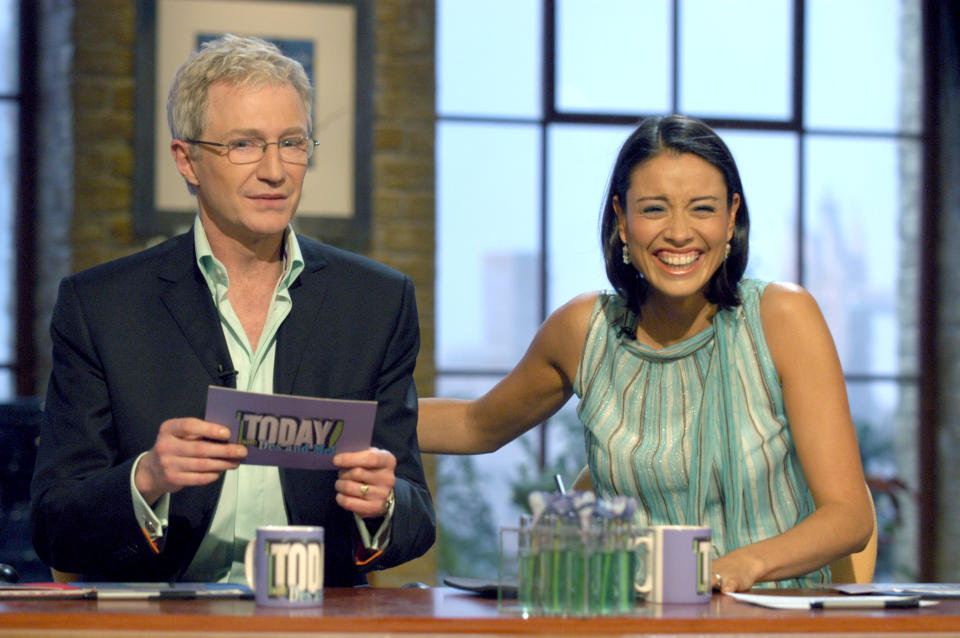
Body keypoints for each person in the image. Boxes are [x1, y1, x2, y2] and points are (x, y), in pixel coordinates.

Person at [30, 34, 435, 586]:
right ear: (187, 159)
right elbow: (55, 525)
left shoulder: (376, 301)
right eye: (244, 145)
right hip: (161, 616)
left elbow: (416, 520)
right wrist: (146, 478)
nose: (275, 170)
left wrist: (383, 504)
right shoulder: (102, 307)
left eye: (292, 143)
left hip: (315, 617)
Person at [418, 114, 873, 591]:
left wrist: (738, 567)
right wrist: (351, 419)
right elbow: (475, 425)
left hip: (772, 618)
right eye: (655, 209)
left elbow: (849, 516)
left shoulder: (782, 317)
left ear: (732, 215)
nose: (679, 233)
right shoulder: (583, 329)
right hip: (636, 617)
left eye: (702, 209)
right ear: (622, 217)